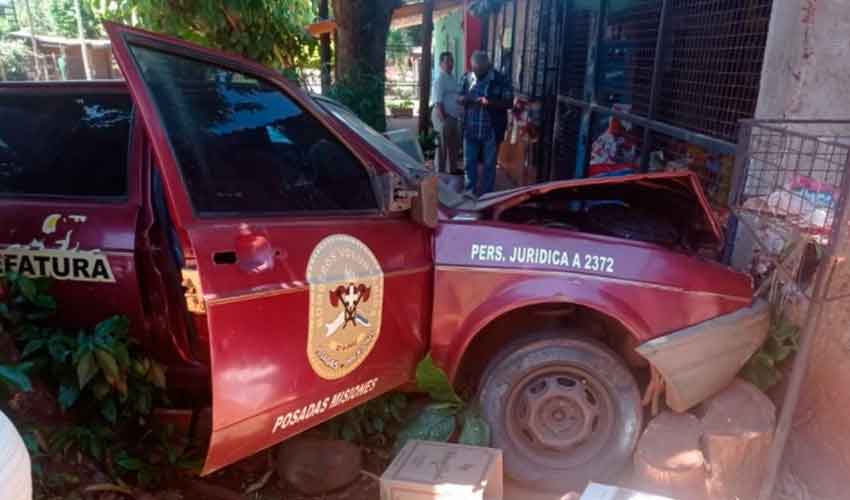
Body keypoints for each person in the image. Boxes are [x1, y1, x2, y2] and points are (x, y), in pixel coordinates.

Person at [458, 51, 513, 196]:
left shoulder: (500, 80)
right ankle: (470, 192)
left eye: (481, 70)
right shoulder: (467, 77)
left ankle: (487, 195)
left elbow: (509, 103)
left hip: (491, 131)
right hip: (470, 129)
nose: (478, 73)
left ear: (488, 66)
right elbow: (459, 96)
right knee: (469, 163)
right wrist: (464, 99)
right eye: (475, 70)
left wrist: (489, 102)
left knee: (489, 165)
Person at [430, 52, 461, 174]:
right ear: (440, 64)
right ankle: (440, 173)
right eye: (446, 61)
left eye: (451, 61)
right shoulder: (439, 80)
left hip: (453, 117)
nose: (449, 64)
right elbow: (438, 103)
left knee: (453, 145)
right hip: (442, 116)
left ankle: (452, 170)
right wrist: (444, 119)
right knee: (442, 146)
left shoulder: (453, 78)